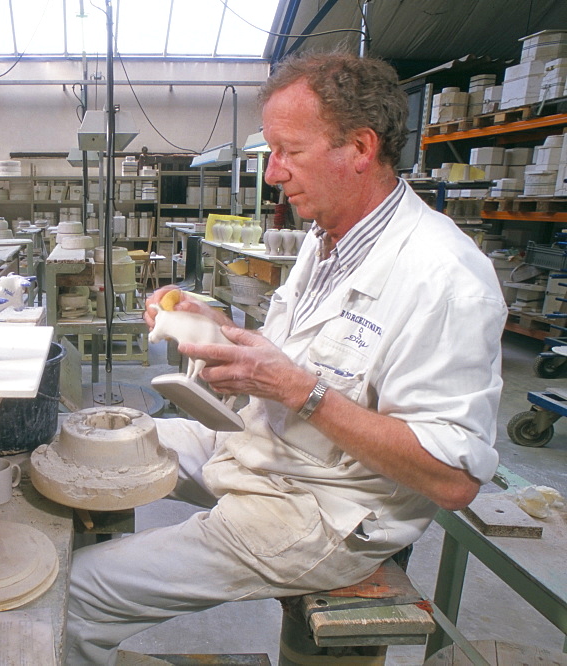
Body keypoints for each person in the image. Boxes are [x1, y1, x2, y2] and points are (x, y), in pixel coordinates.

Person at [65, 51, 507, 664]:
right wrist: (216, 329)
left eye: (289, 152)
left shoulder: (445, 279)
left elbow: (454, 480)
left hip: (325, 511)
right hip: (265, 451)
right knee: (90, 446)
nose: (274, 173)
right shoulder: (328, 238)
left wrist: (300, 390)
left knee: (73, 595)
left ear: (359, 146)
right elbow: (297, 360)